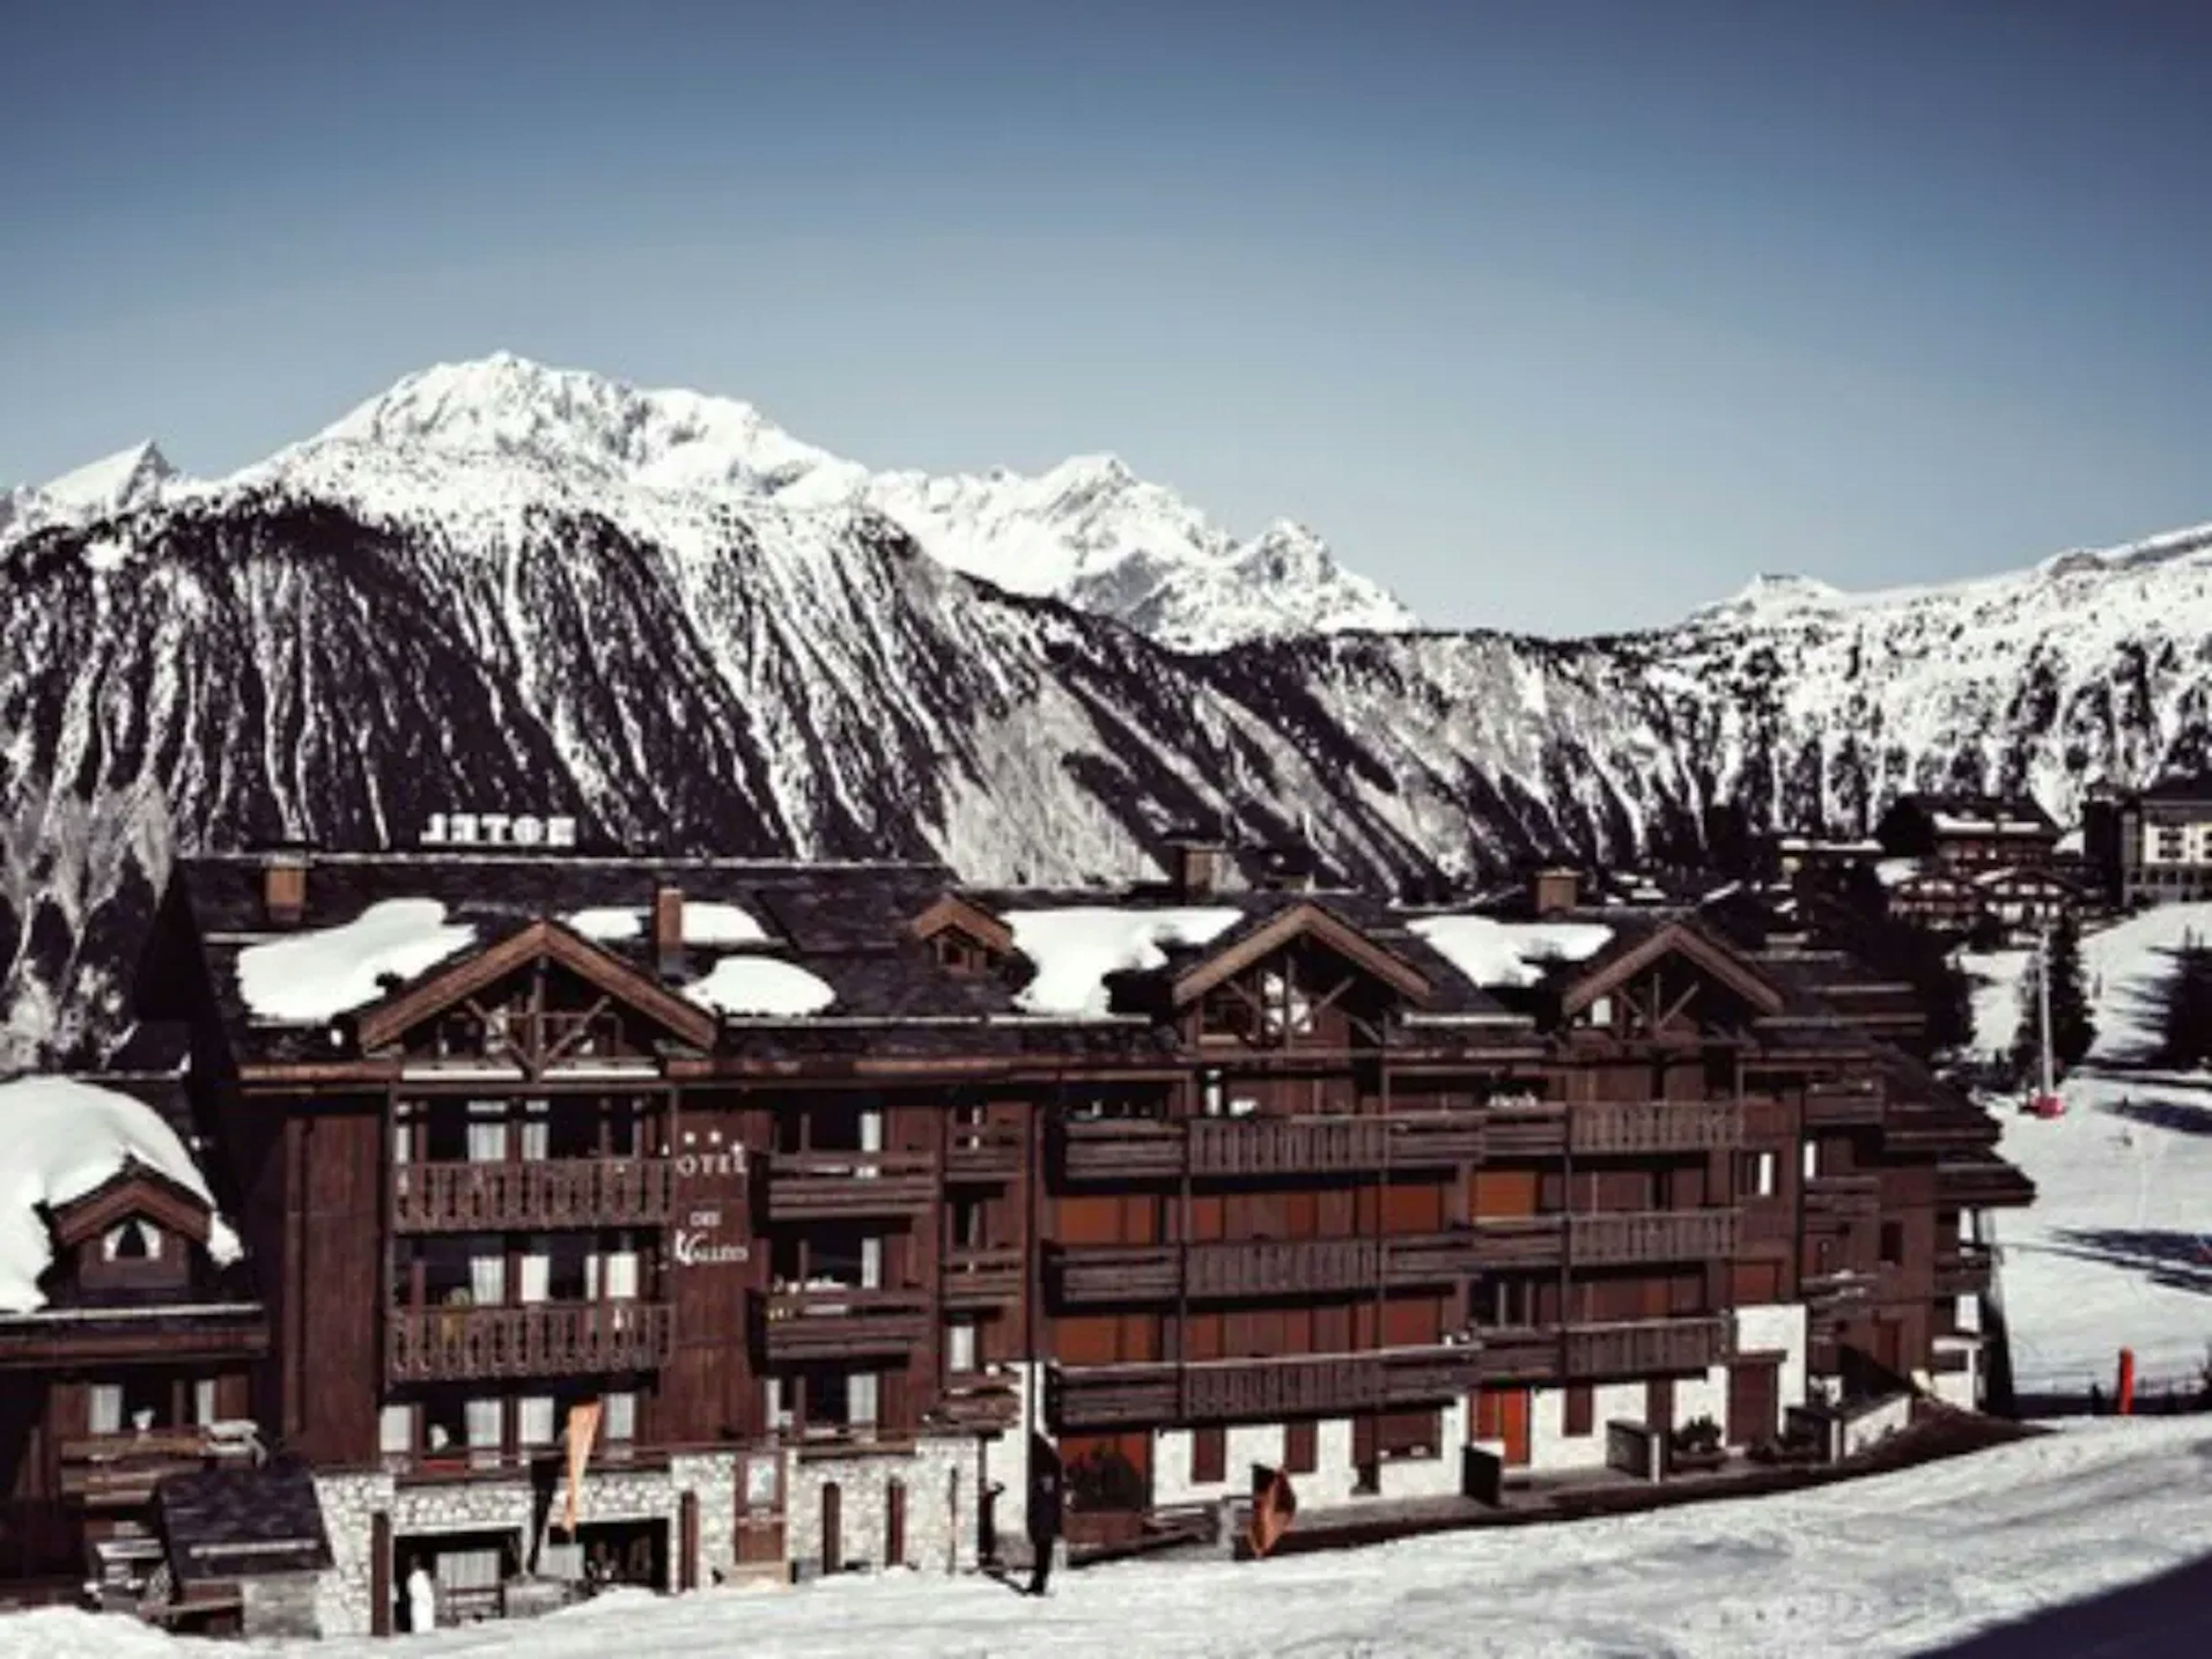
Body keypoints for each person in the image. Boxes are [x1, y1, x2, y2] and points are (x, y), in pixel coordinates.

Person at [404, 1561, 437, 1634]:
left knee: (421, 1616)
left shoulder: (414, 1577)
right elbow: (415, 1590)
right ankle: (423, 1629)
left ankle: (422, 1629)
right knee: (421, 1616)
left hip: (421, 1600)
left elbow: (411, 1589)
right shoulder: (417, 1577)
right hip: (421, 1600)